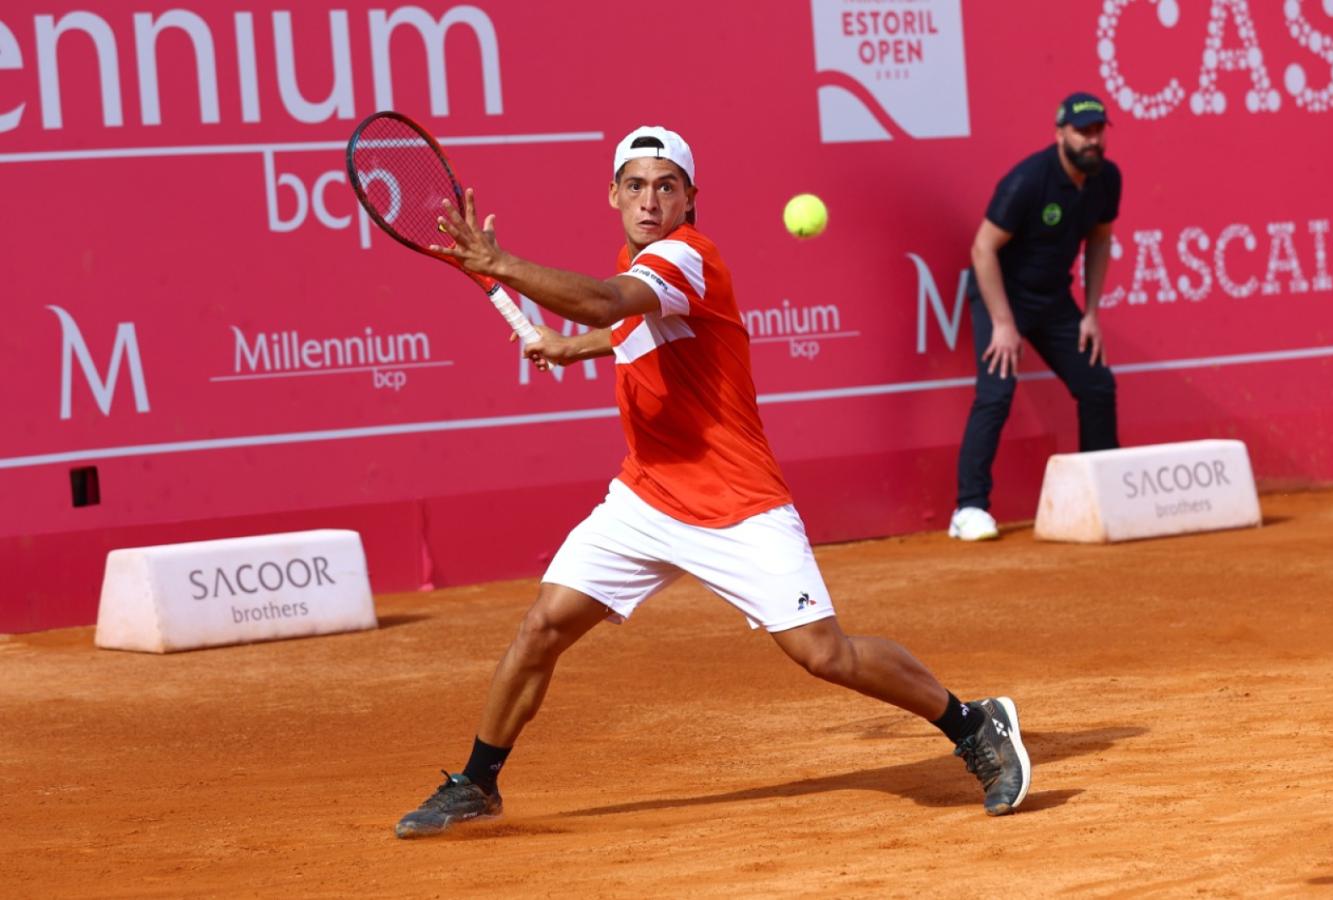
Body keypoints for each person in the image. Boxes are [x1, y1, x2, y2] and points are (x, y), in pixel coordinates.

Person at [394, 126, 1030, 837]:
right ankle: (478, 782)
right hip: (645, 496)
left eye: (666, 186)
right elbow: (631, 328)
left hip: (736, 503)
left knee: (825, 655)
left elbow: (609, 303)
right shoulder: (645, 263)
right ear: (612, 194)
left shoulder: (687, 257)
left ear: (690, 200)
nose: (649, 200)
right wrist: (571, 348)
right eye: (634, 185)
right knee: (543, 625)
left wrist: (499, 263)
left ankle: (973, 723)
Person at [949, 92, 1122, 542]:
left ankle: (1103, 494)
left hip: (1052, 299)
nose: (1092, 139)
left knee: (1097, 384)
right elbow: (982, 249)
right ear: (1060, 133)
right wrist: (1003, 323)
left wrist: (1090, 313)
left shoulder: (1107, 179)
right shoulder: (1027, 180)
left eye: (1098, 130)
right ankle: (969, 508)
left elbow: (1100, 240)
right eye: (1082, 131)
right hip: (999, 294)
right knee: (997, 391)